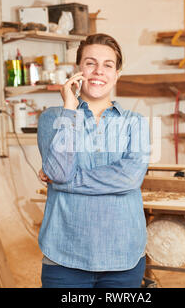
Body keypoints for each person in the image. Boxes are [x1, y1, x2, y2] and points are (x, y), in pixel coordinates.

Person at [37, 33, 150, 288]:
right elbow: (58, 171)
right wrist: (70, 107)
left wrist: (63, 181)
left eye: (108, 65)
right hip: (64, 255)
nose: (99, 71)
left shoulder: (136, 122)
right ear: (78, 69)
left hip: (124, 257)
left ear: (117, 73)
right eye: (90, 63)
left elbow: (130, 178)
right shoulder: (52, 118)